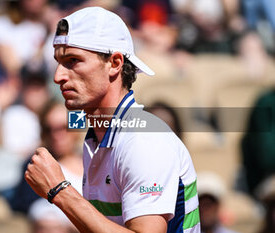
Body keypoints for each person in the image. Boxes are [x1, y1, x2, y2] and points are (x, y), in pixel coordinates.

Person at [25, 7, 200, 233]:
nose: (58, 76)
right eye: (59, 61)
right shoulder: (97, 137)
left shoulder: (144, 139)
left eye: (73, 60)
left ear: (115, 63)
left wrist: (60, 191)